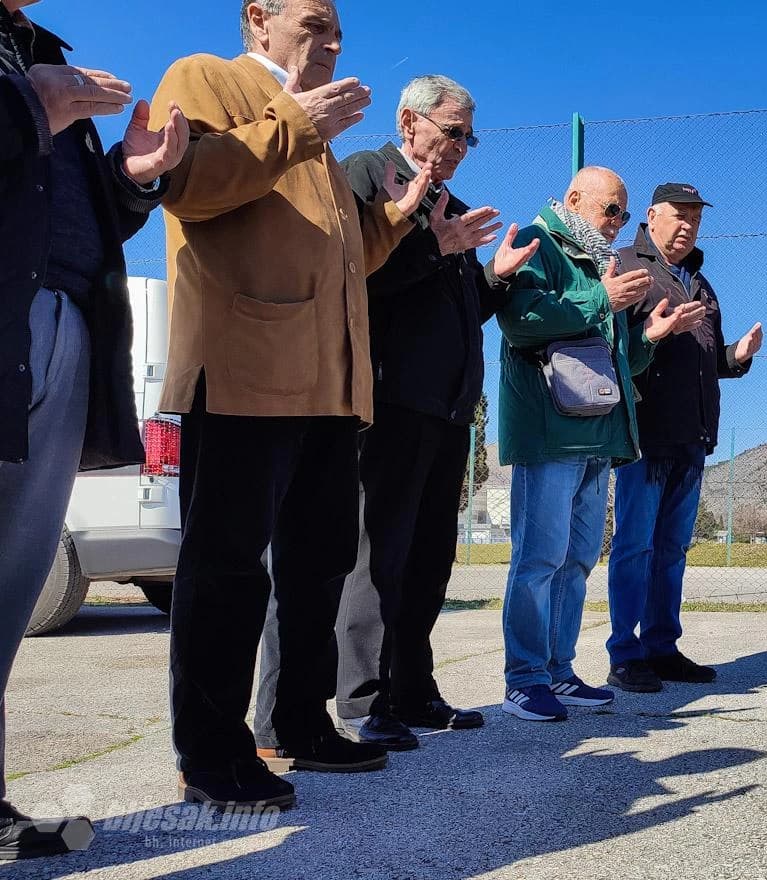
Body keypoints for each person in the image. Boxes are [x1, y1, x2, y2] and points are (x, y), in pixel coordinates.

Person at [150, 0, 432, 810]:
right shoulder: (208, 79)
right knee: (228, 570)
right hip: (243, 369)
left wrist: (398, 226)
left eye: (339, 28)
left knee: (319, 566)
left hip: (326, 386)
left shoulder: (315, 136)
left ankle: (299, 722)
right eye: (315, 21)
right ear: (259, 17)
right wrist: (291, 125)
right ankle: (208, 750)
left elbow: (337, 264)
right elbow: (190, 186)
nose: (334, 40)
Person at [0, 0, 187, 858]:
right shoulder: (34, 75)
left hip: (65, 322)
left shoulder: (40, 53)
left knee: (12, 581)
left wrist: (131, 177)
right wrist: (26, 104)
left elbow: (70, 210)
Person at [331, 75, 540, 750]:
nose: (459, 148)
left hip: (447, 410)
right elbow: (358, 278)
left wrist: (493, 277)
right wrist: (433, 247)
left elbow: (456, 309)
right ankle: (362, 698)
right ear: (408, 121)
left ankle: (412, 690)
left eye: (468, 138)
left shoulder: (454, 203)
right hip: (391, 401)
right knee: (378, 554)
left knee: (429, 559)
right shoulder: (370, 174)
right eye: (451, 132)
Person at [495, 167, 702, 722]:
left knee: (579, 557)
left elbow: (615, 360)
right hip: (550, 432)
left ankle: (559, 671)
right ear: (573, 200)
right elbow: (520, 322)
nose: (615, 223)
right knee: (538, 558)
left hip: (596, 434)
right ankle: (524, 678)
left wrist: (651, 336)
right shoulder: (538, 244)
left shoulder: (591, 260)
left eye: (622, 213)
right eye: (609, 210)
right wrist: (601, 299)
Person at [605, 183, 764, 693]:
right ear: (651, 215)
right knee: (634, 546)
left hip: (692, 437)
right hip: (646, 434)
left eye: (695, 218)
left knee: (672, 548)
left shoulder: (700, 281)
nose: (687, 226)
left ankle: (662, 647)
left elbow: (707, 362)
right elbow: (613, 344)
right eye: (679, 215)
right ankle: (625, 654)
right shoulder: (627, 265)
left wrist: (736, 355)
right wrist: (655, 332)